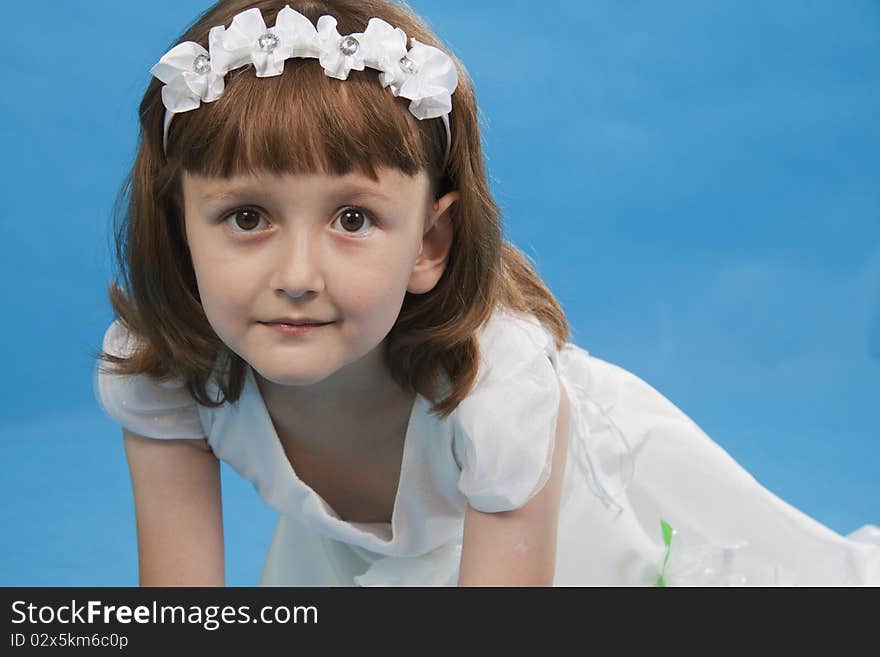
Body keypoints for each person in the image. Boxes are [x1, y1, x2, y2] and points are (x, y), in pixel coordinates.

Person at [94, 0, 880, 586]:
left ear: (429, 244)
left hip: (575, 534)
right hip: (377, 557)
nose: (297, 275)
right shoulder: (163, 366)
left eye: (354, 217)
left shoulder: (496, 388)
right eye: (247, 216)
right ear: (179, 226)